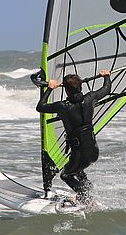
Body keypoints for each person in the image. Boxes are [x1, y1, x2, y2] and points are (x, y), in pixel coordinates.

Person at [36, 69, 111, 205]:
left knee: (66, 174)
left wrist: (50, 88)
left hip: (80, 154)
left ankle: (85, 197)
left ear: (67, 91)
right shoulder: (90, 98)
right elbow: (106, 89)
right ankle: (88, 191)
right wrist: (106, 76)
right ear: (80, 86)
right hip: (94, 151)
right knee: (79, 171)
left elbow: (40, 107)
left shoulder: (63, 106)